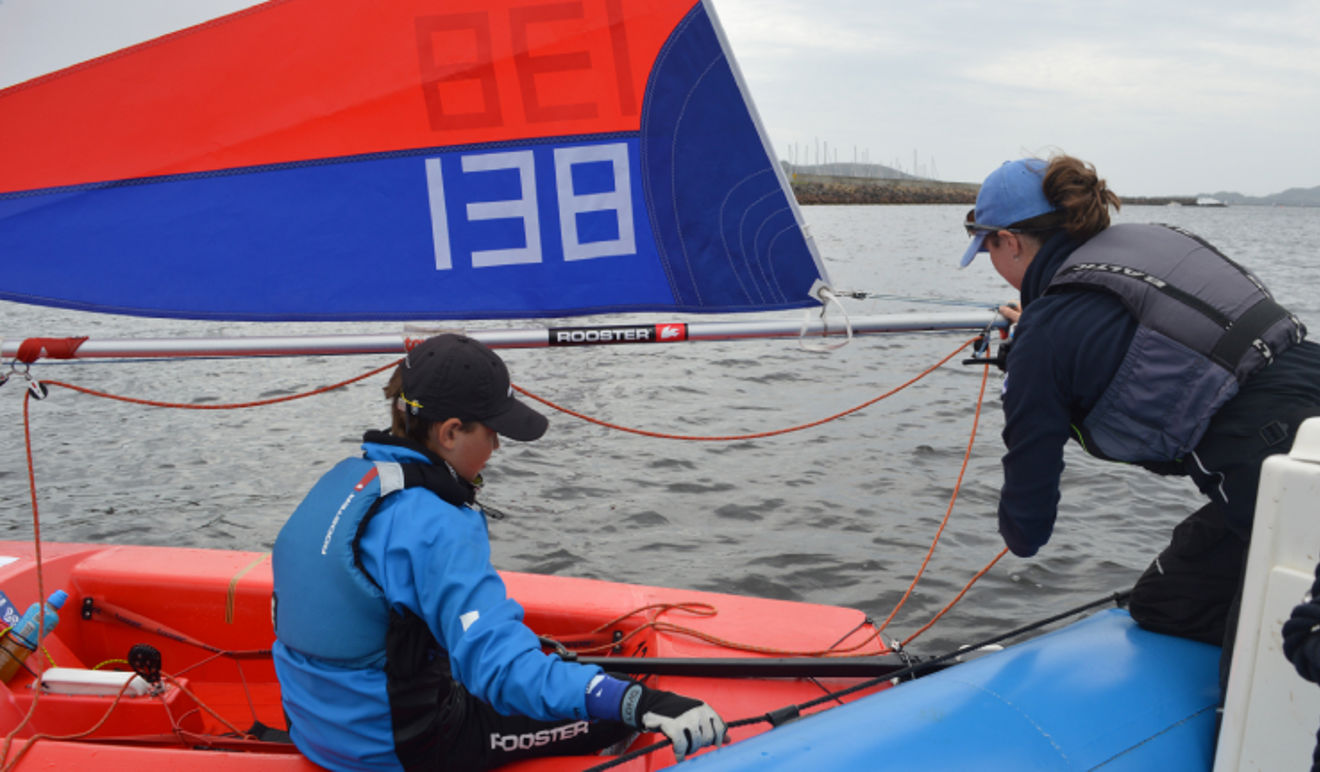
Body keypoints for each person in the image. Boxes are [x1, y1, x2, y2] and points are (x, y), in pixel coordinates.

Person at [271, 334, 727, 770]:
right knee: (611, 713)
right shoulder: (435, 522)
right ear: (450, 433)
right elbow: (501, 671)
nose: (496, 446)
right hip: (394, 749)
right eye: (492, 432)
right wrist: (639, 702)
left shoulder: (348, 481)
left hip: (312, 725)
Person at [958, 154, 1320, 694]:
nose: (990, 257)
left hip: (1271, 458)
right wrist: (1038, 341)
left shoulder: (1046, 335)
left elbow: (1028, 528)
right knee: (1164, 601)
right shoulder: (1155, 238)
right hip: (1306, 380)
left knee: (1252, 687)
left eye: (987, 245)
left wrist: (1033, 359)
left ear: (1010, 240)